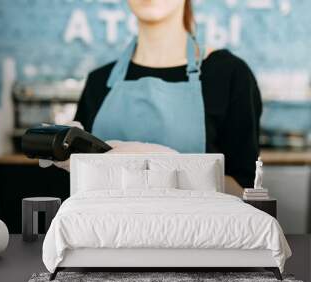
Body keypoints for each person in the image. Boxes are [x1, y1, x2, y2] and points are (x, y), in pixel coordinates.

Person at [72, 0, 262, 196]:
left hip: (195, 226)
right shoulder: (98, 82)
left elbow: (245, 189)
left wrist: (163, 170)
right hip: (106, 226)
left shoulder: (229, 75)